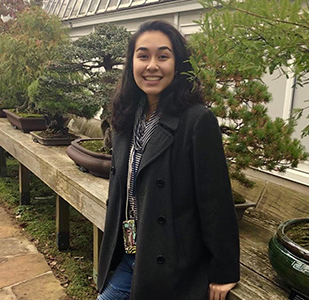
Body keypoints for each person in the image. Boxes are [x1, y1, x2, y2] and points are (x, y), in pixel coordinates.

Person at [97, 20, 240, 300]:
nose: (152, 66)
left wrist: (224, 271)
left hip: (171, 263)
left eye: (163, 56)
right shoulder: (126, 115)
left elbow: (216, 201)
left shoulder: (197, 120)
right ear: (131, 63)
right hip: (130, 254)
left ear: (178, 64)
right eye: (143, 56)